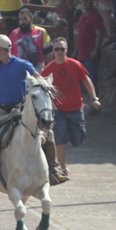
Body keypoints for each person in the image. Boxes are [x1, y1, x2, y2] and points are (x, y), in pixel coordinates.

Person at [0, 35, 64, 191]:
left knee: (47, 134)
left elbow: (38, 80)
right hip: (1, 110)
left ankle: (53, 168)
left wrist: (43, 86)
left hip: (21, 110)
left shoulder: (23, 65)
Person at [42, 37, 99, 179]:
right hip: (59, 109)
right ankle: (63, 167)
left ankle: (71, 139)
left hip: (76, 108)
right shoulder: (49, 68)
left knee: (78, 139)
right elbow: (40, 84)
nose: (59, 52)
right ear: (53, 51)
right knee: (60, 138)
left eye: (62, 49)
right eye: (57, 49)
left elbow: (87, 80)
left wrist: (94, 98)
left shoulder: (75, 65)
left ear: (66, 50)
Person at [74, 0, 105, 86]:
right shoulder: (81, 16)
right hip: (81, 55)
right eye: (83, 1)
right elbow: (79, 35)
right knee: (80, 79)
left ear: (92, 2)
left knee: (92, 80)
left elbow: (99, 34)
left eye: (87, 1)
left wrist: (95, 50)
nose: (85, 3)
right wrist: (76, 51)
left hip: (91, 55)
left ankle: (95, 98)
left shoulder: (95, 16)